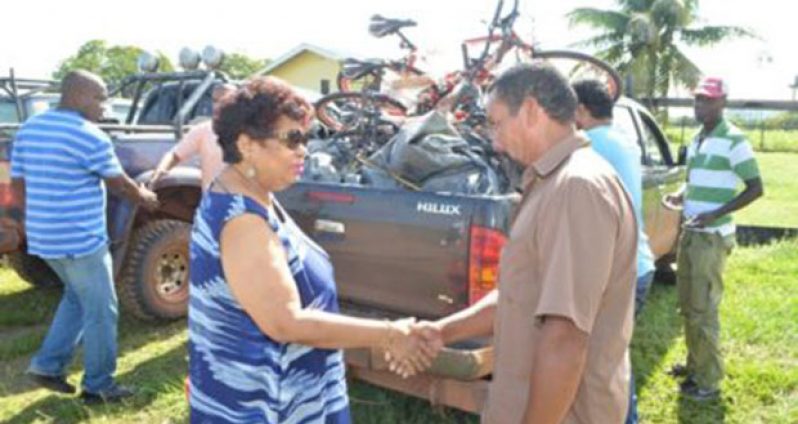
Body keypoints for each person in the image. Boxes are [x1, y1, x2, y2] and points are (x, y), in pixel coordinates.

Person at [188, 76, 438, 423]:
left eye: (306, 137)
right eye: (291, 139)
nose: (303, 149)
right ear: (246, 144)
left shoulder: (255, 195)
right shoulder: (242, 221)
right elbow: (284, 322)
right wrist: (390, 335)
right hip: (265, 405)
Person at [416, 63, 639, 423]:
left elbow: (565, 337)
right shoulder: (552, 182)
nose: (494, 141)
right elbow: (520, 294)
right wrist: (443, 332)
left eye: (496, 122)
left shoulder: (575, 189)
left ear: (532, 111)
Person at [11, 70, 159, 403]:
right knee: (102, 310)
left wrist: (38, 216)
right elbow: (119, 183)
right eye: (100, 97)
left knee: (77, 298)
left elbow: (19, 184)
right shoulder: (88, 135)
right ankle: (99, 386)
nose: (104, 106)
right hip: (80, 241)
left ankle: (47, 366)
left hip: (45, 238)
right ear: (78, 95)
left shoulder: (29, 129)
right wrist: (145, 198)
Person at [664, 76, 763, 401]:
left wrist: (716, 213)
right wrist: (680, 196)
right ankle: (695, 365)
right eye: (697, 99)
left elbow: (755, 188)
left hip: (712, 237)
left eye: (708, 100)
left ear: (723, 103)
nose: (701, 105)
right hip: (691, 233)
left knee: (704, 308)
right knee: (688, 305)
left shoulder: (734, 140)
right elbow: (692, 181)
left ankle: (708, 381)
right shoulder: (698, 139)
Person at [573, 79, 656, 424]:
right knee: (612, 355)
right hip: (639, 263)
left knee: (604, 363)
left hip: (617, 271)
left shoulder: (591, 145)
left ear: (580, 110)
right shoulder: (624, 139)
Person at [149, 84, 236, 189]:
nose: (217, 105)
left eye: (224, 100)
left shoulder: (252, 131)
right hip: (213, 198)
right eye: (214, 100)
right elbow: (175, 154)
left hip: (247, 201)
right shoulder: (204, 130)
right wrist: (161, 169)